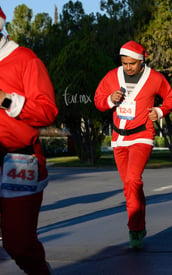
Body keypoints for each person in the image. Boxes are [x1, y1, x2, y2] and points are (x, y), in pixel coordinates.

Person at [94, 41, 172, 249]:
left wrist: (159, 112)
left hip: (142, 135)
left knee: (133, 179)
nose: (128, 67)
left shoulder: (155, 78)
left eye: (132, 63)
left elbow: (171, 97)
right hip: (119, 138)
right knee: (129, 186)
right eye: (124, 63)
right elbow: (98, 99)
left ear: (142, 60)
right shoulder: (112, 76)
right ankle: (139, 224)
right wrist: (109, 100)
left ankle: (135, 228)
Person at [0, 6, 58, 274]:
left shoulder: (25, 59)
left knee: (19, 242)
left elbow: (47, 111)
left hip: (18, 160)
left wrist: (5, 99)